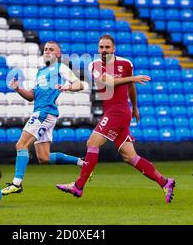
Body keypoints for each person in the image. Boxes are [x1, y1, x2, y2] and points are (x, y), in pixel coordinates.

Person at [56, 35, 176, 204]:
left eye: (107, 47)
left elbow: (130, 88)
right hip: (112, 112)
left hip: (119, 112)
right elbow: (109, 82)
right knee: (130, 156)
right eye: (101, 47)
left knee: (92, 143)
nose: (104, 50)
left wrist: (135, 107)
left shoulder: (126, 64)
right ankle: (165, 182)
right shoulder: (95, 65)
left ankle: (78, 186)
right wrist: (133, 78)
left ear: (114, 49)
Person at [1, 41, 86, 196]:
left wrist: (67, 87)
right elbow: (31, 96)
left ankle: (16, 184)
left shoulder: (61, 67)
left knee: (21, 145)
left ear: (58, 54)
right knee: (43, 158)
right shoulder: (41, 72)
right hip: (44, 113)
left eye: (51, 49)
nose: (47, 51)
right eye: (45, 49)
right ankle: (81, 162)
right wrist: (18, 89)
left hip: (44, 113)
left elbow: (79, 84)